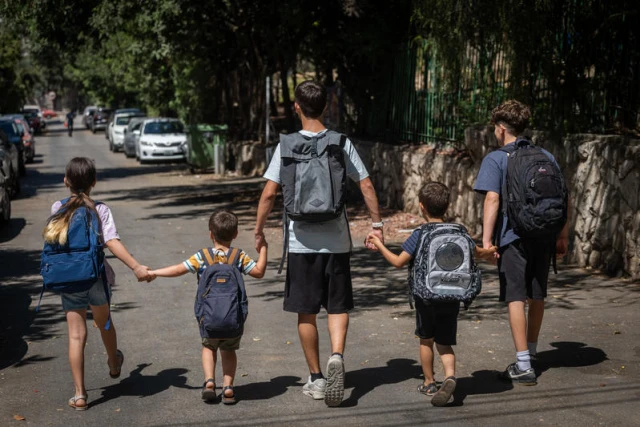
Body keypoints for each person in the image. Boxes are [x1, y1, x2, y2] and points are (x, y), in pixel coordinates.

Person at [254, 80, 384, 407]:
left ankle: (315, 378)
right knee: (337, 306)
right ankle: (337, 355)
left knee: (306, 312)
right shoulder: (340, 142)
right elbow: (365, 184)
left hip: (301, 243)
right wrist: (377, 224)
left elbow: (269, 194)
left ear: (296, 107)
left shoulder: (285, 145)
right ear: (326, 107)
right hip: (337, 241)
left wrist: (259, 230)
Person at [366, 182, 497, 406]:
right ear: (447, 207)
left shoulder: (419, 234)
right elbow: (479, 254)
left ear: (421, 207)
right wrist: (491, 251)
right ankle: (450, 376)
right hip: (453, 294)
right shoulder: (460, 231)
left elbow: (398, 262)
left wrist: (379, 244)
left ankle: (429, 382)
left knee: (426, 340)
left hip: (425, 296)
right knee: (445, 342)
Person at [42, 157, 153, 410]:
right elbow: (111, 241)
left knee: (76, 335)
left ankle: (80, 395)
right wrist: (136, 266)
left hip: (68, 278)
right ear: (94, 182)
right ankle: (114, 362)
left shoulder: (57, 207)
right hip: (96, 277)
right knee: (104, 322)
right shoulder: (99, 209)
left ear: (66, 181)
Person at [474, 100, 569, 385]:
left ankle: (523, 364)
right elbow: (564, 195)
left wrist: (487, 241)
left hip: (513, 236)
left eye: (494, 128)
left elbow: (492, 198)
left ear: (502, 129)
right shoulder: (545, 156)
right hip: (543, 233)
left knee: (515, 296)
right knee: (536, 293)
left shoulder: (496, 158)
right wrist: (562, 235)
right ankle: (531, 351)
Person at [148, 210, 267, 404]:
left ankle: (210, 382)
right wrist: (263, 249)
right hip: (232, 317)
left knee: (208, 347)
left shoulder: (202, 256)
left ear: (210, 233)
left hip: (208, 316)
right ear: (235, 234)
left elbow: (179, 269)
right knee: (228, 350)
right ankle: (228, 388)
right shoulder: (239, 256)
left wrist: (154, 273)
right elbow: (259, 272)